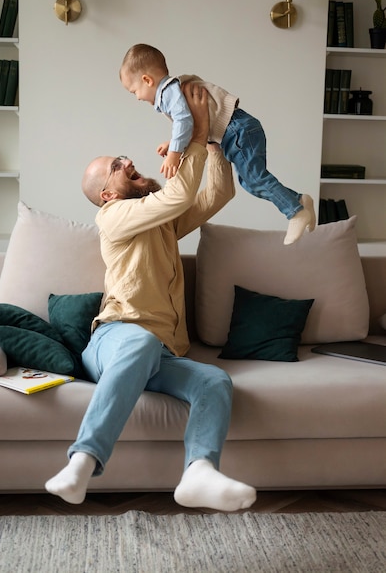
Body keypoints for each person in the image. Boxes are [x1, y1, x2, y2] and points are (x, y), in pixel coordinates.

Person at [45, 83, 257, 512]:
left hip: (158, 352)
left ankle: (199, 472)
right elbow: (178, 194)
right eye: (117, 166)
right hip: (114, 340)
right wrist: (193, 134)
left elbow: (217, 194)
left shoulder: (161, 224)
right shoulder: (114, 217)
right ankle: (83, 460)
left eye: (123, 156)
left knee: (214, 380)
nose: (128, 162)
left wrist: (212, 141)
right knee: (140, 339)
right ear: (107, 194)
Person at [119, 43, 316, 246]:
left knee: (255, 179)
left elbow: (184, 121)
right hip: (238, 130)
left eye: (134, 91)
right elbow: (192, 123)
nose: (137, 98)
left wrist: (175, 153)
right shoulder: (173, 91)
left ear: (147, 80)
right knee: (250, 182)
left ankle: (295, 212)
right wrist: (172, 143)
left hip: (236, 130)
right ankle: (299, 200)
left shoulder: (168, 92)